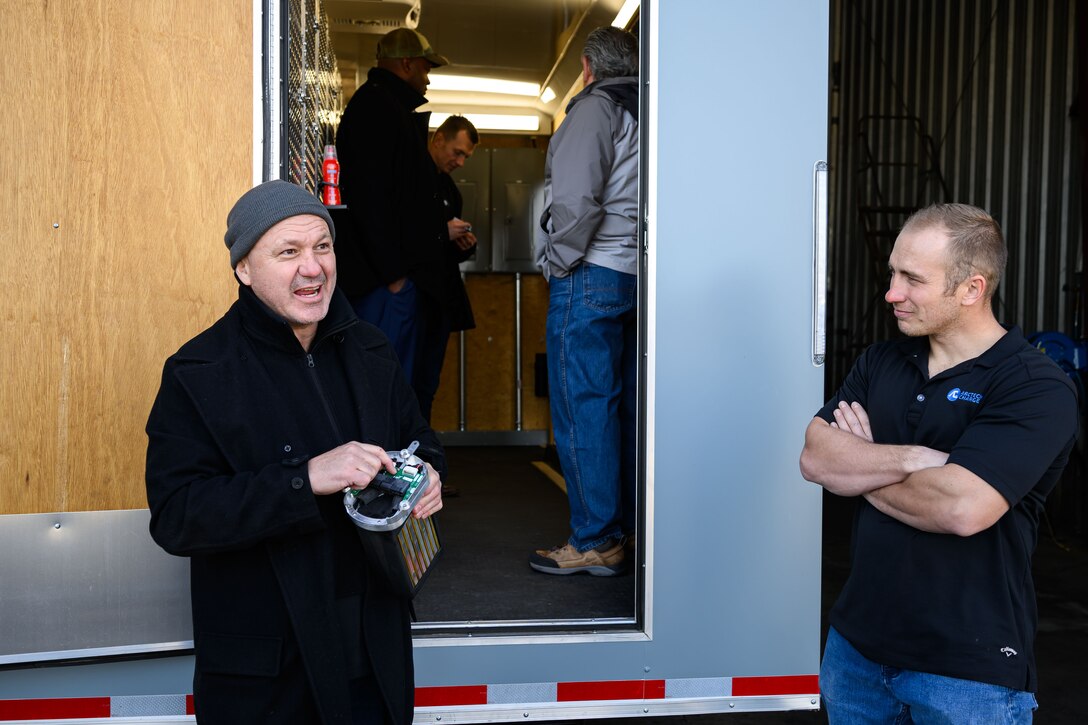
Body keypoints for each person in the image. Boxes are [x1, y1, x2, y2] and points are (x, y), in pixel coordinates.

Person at [145, 180, 445, 725]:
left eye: (323, 247)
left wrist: (427, 472)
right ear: (243, 268)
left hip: (374, 656)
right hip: (268, 676)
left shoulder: (372, 350)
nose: (313, 268)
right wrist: (304, 478)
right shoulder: (198, 373)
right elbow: (178, 518)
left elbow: (420, 439)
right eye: (288, 252)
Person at [799, 203, 1078, 723]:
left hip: (965, 673)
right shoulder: (880, 362)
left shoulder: (1033, 386)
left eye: (912, 279)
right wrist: (915, 459)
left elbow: (960, 509)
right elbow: (816, 458)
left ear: (972, 288)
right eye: (892, 273)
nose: (891, 293)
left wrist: (860, 469)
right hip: (855, 652)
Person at [529, 26, 639, 577]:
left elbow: (575, 200)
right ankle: (621, 530)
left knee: (583, 407)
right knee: (620, 407)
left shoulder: (595, 108)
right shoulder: (646, 111)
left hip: (590, 271)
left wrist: (559, 262)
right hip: (632, 273)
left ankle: (595, 538)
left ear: (587, 65)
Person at [334, 27, 450, 387]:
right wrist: (395, 275)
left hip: (390, 279)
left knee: (395, 383)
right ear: (406, 64)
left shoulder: (384, 104)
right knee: (386, 384)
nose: (428, 78)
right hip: (385, 285)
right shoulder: (377, 108)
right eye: (426, 68)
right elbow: (370, 197)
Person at [413, 114, 479, 423]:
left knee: (427, 383)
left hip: (439, 301)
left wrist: (463, 244)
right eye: (458, 152)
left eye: (466, 156)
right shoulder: (412, 176)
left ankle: (420, 449)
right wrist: (442, 229)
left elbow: (444, 250)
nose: (462, 162)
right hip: (413, 296)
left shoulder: (450, 190)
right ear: (438, 139)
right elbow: (403, 231)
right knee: (406, 379)